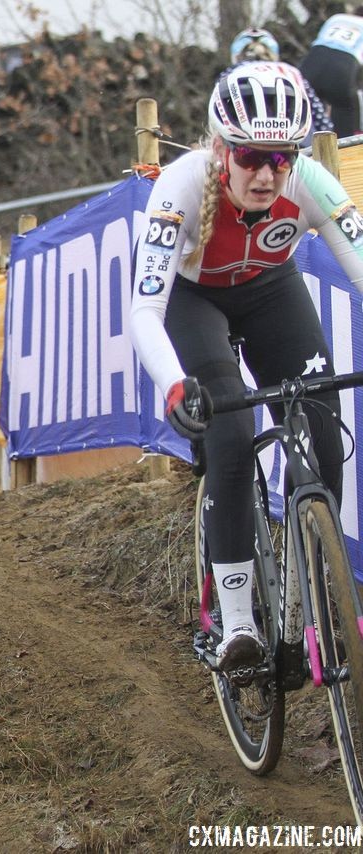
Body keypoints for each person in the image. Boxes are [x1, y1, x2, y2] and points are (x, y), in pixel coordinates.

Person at [129, 63, 363, 673]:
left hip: (270, 290)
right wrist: (175, 384)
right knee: (231, 440)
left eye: (280, 157)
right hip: (192, 300)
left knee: (322, 425)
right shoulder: (179, 190)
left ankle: (316, 592)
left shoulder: (310, 180)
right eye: (250, 156)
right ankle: (234, 625)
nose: (265, 173)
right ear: (220, 148)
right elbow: (144, 311)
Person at [225, 27, 333, 144]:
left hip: (249, 148)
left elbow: (219, 114)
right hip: (299, 146)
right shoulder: (292, 72)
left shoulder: (231, 73)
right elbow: (321, 121)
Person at [300, 8, 363, 138]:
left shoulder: (337, 17)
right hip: (342, 69)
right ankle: (345, 150)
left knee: (306, 112)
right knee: (345, 109)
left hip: (311, 63)